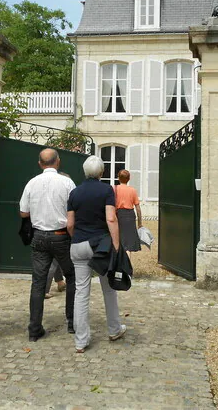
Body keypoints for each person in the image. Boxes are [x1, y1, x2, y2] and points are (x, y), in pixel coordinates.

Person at [67, 155, 127, 353]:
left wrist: (76, 238)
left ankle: (80, 341)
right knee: (109, 289)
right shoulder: (106, 190)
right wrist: (116, 245)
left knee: (81, 293)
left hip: (78, 245)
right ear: (102, 172)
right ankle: (114, 329)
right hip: (100, 246)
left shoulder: (74, 193)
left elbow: (70, 224)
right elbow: (111, 218)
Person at [20, 148, 76, 342]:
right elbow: (74, 210)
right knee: (72, 277)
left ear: (40, 164)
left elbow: (23, 212)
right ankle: (72, 322)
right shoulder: (67, 182)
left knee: (38, 282)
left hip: (39, 236)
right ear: (58, 162)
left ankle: (34, 328)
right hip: (61, 236)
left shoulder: (31, 183)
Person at [114, 169, 143, 252]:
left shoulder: (114, 189)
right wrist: (140, 223)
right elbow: (138, 208)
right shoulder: (132, 190)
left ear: (118, 178)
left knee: (118, 241)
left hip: (118, 215)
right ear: (129, 179)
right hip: (130, 215)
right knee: (129, 244)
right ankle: (127, 263)